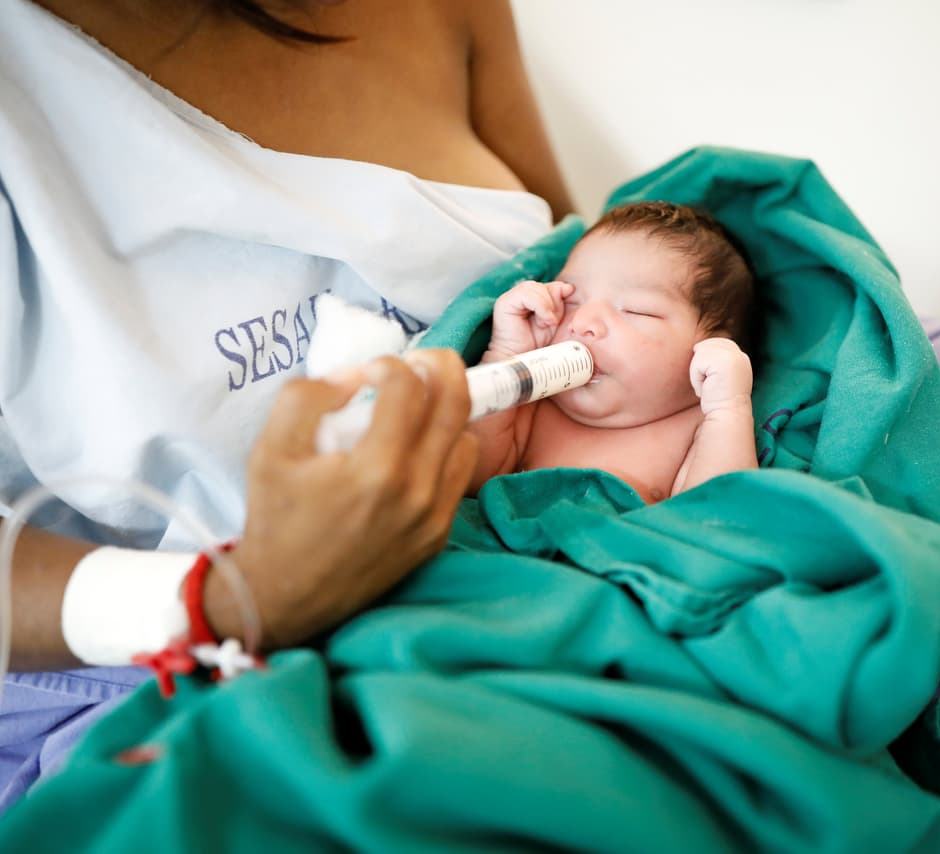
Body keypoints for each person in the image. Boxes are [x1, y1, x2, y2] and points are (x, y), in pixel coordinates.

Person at [0, 0, 571, 807]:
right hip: (184, 693)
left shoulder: (450, 10)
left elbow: (589, 271)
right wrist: (237, 598)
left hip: (541, 593)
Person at [468, 202, 757, 503]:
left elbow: (719, 518)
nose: (581, 323)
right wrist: (507, 353)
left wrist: (728, 410)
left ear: (712, 353)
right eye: (572, 300)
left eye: (636, 310)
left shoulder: (700, 425)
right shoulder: (534, 401)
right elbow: (469, 477)